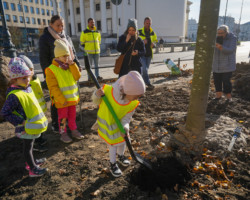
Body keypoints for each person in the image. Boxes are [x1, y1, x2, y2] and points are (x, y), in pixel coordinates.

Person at [92, 71, 146, 177]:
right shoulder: (108, 91)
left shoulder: (132, 102)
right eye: (135, 96)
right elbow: (95, 101)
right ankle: (112, 163)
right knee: (113, 145)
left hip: (120, 124)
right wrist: (96, 95)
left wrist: (125, 127)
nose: (137, 99)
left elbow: (127, 117)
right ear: (127, 91)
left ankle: (121, 156)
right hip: (108, 124)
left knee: (124, 140)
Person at [1, 57, 48, 177]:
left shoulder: (26, 88)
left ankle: (31, 162)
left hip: (30, 125)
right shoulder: (14, 95)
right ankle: (32, 169)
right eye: (23, 78)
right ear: (15, 79)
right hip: (25, 127)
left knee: (30, 145)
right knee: (27, 147)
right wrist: (21, 122)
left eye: (28, 77)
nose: (28, 80)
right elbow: (5, 112)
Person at [39, 15, 81, 133]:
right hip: (55, 71)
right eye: (58, 25)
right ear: (51, 24)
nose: (61, 27)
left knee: (69, 98)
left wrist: (77, 65)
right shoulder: (45, 38)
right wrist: (48, 73)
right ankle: (57, 126)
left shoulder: (66, 37)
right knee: (56, 99)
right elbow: (44, 58)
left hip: (68, 70)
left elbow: (72, 52)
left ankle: (70, 125)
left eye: (62, 25)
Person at [45, 39, 84, 143]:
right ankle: (63, 133)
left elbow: (77, 77)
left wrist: (73, 64)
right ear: (57, 56)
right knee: (62, 118)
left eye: (67, 55)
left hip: (72, 99)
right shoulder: (51, 70)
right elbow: (53, 87)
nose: (66, 58)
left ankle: (74, 130)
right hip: (62, 100)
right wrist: (61, 99)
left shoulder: (69, 66)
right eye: (64, 56)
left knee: (72, 116)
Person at [19, 55, 48, 153]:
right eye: (29, 70)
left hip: (40, 109)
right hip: (32, 112)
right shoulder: (24, 85)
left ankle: (40, 139)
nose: (32, 72)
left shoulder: (35, 79)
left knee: (40, 127)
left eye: (32, 69)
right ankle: (36, 144)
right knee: (34, 129)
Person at [212, 25, 237, 102]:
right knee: (217, 80)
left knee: (226, 81)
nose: (219, 35)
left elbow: (230, 50)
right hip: (216, 63)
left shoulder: (232, 38)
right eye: (218, 33)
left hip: (227, 64)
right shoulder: (215, 38)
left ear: (226, 32)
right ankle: (218, 96)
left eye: (221, 33)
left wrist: (220, 47)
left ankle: (229, 97)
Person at [138, 17, 158, 88]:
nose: (148, 24)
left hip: (149, 55)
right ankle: (148, 83)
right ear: (144, 23)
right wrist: (142, 42)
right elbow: (135, 42)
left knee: (145, 70)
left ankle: (141, 84)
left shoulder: (152, 32)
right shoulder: (139, 31)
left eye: (149, 23)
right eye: (147, 23)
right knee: (144, 69)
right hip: (142, 55)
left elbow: (156, 41)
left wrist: (154, 44)